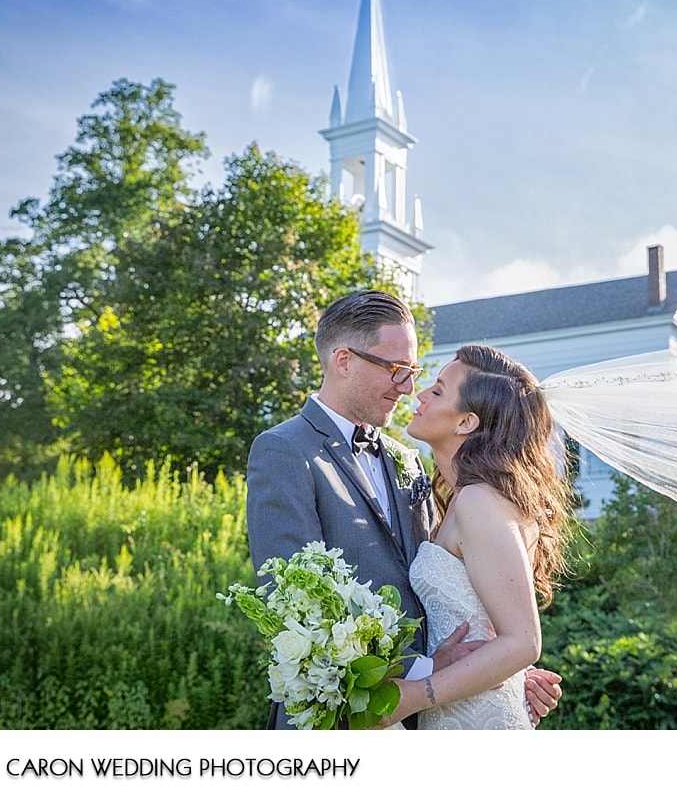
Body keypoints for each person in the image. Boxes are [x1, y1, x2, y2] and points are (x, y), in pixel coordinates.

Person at [246, 290, 562, 729]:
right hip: (340, 719)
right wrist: (424, 673)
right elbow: (293, 605)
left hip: (423, 718)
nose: (409, 387)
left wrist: (507, 674)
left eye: (413, 372)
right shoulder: (283, 450)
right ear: (343, 360)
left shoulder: (409, 459)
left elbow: (455, 586)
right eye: (396, 370)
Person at [380, 343, 575, 730]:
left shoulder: (479, 501)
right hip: (459, 711)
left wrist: (411, 697)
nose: (419, 394)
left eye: (437, 391)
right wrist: (522, 675)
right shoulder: (462, 499)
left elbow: (522, 641)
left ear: (466, 422)